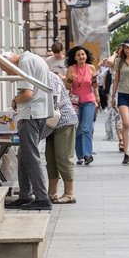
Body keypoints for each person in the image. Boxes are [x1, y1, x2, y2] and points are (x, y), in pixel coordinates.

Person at [0, 50, 54, 210]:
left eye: (7, 70)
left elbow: (27, 93)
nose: (9, 74)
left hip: (31, 114)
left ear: (10, 62)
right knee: (23, 155)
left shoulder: (25, 62)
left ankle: (42, 198)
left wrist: (14, 100)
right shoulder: (33, 58)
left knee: (30, 156)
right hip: (38, 113)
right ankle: (25, 195)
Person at [42, 73, 78, 204]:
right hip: (51, 123)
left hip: (64, 120)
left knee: (63, 157)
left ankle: (69, 194)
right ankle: (52, 193)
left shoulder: (49, 78)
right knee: (50, 158)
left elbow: (54, 101)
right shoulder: (39, 76)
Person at [65, 45, 99, 166]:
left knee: (86, 128)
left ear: (86, 56)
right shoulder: (71, 68)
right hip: (75, 103)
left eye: (83, 54)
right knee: (78, 130)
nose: (81, 56)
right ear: (74, 57)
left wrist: (95, 81)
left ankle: (88, 154)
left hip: (89, 101)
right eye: (78, 55)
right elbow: (67, 88)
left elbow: (94, 86)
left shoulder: (91, 68)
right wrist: (70, 80)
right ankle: (80, 156)